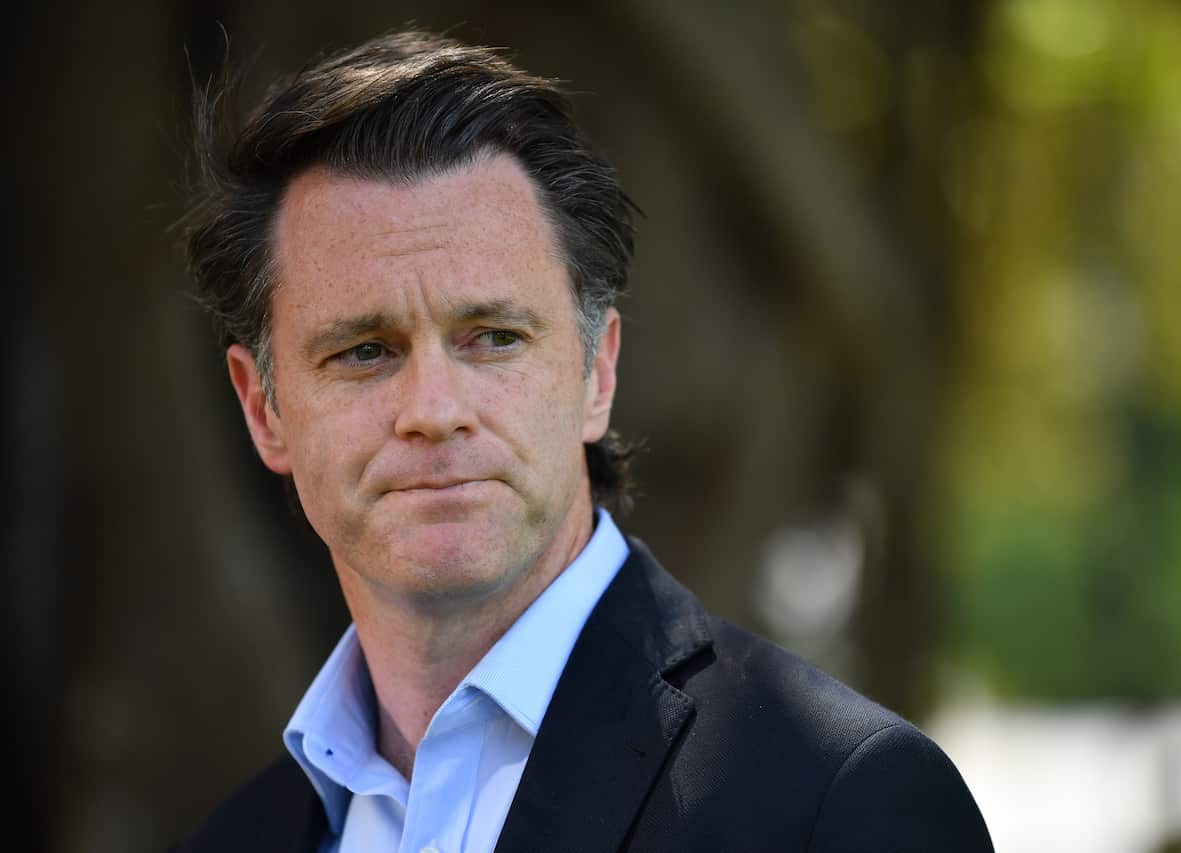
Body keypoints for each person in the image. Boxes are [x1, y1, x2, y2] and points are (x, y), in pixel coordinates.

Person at [173, 28, 994, 853]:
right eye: (363, 350)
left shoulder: (846, 803)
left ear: (597, 372)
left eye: (493, 336)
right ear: (263, 407)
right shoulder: (228, 841)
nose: (432, 407)